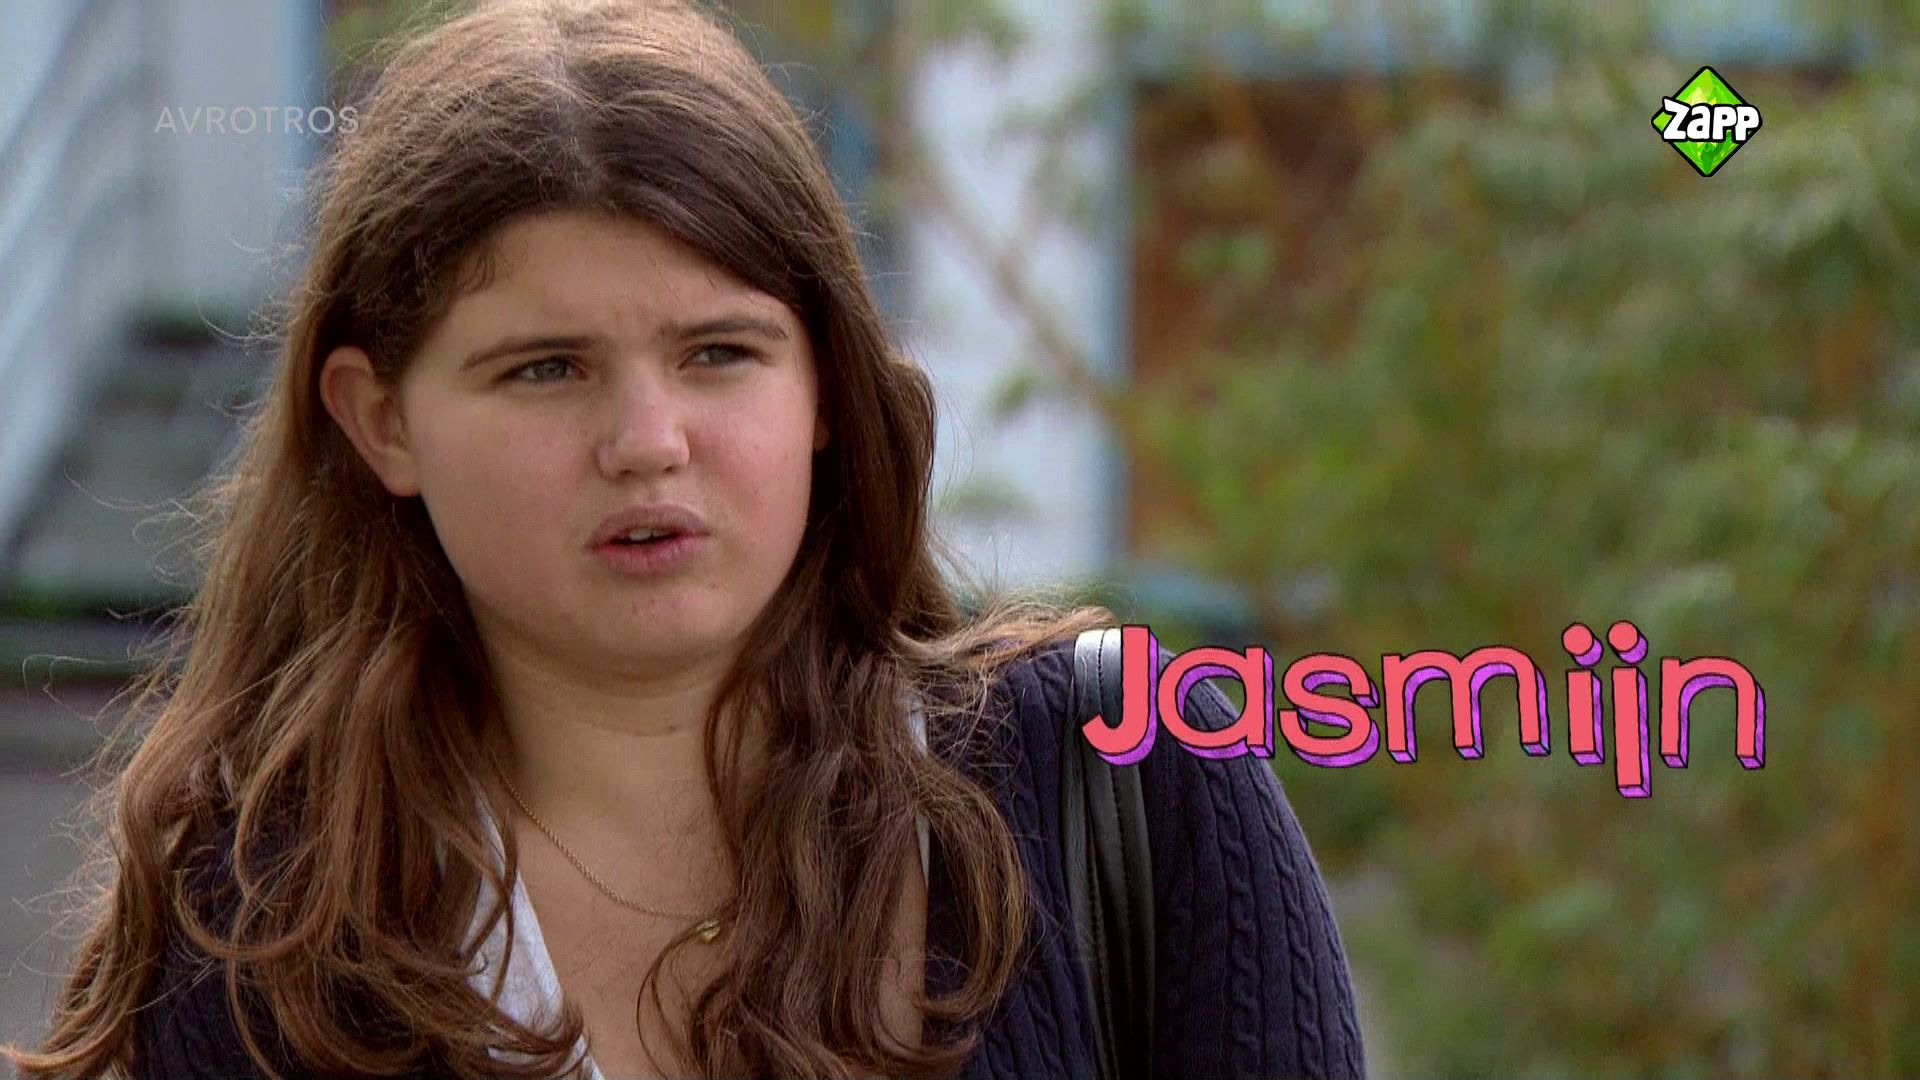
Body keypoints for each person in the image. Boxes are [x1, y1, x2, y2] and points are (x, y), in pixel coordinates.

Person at [2, 1, 1366, 1077]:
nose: (647, 441)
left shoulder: (1127, 777)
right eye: (546, 369)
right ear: (381, 421)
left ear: (825, 387)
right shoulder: (259, 938)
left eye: (720, 353)